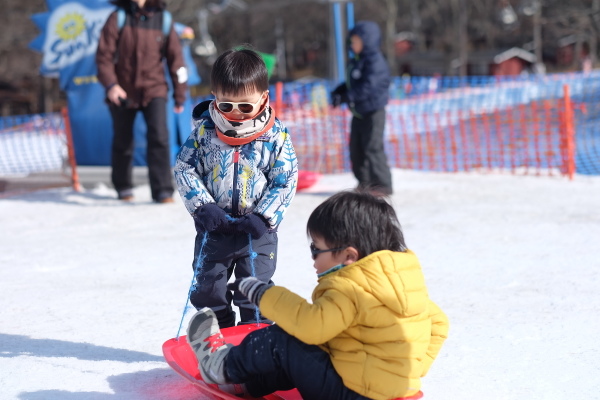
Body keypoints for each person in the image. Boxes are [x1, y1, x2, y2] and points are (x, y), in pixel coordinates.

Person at [186, 190, 449, 400]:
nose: (313, 259)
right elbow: (438, 322)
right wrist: (415, 366)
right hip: (389, 390)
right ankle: (245, 385)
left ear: (349, 256)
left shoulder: (352, 285)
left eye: (316, 249)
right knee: (305, 355)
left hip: (351, 393)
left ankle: (221, 366)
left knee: (285, 340)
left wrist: (264, 294)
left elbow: (311, 327)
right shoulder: (398, 279)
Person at [174, 47, 298, 328]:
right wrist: (202, 207)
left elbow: (285, 179)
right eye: (227, 105)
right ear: (214, 98)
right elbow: (185, 168)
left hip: (256, 231)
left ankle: (257, 335)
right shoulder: (204, 133)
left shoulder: (275, 137)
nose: (236, 113)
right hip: (215, 227)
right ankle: (220, 330)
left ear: (263, 98)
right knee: (207, 288)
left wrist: (264, 217)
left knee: (252, 290)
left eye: (245, 106)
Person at [96, 0, 188, 203]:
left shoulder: (163, 19)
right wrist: (111, 85)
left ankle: (163, 190)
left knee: (160, 138)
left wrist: (179, 93)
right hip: (122, 90)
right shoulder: (118, 17)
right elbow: (103, 57)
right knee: (123, 140)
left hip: (154, 88)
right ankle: (123, 187)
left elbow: (177, 60)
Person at [331, 21, 393, 196]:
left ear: (368, 41)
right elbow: (353, 83)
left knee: (372, 148)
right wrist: (340, 91)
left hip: (373, 112)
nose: (353, 45)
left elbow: (368, 87)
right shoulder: (357, 61)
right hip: (359, 112)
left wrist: (346, 97)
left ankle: (383, 184)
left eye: (356, 41)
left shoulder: (375, 61)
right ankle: (365, 183)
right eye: (352, 41)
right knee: (356, 149)